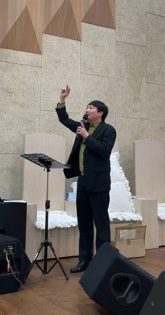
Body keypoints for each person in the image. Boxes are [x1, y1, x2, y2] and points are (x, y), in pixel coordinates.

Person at [56, 85, 117, 273]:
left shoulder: (108, 130)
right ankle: (84, 260)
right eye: (87, 107)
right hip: (82, 182)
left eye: (91, 107)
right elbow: (64, 119)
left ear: (100, 113)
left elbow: (104, 151)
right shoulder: (83, 126)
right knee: (84, 223)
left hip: (99, 184)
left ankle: (103, 263)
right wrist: (62, 99)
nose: (87, 109)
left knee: (101, 224)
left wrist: (87, 137)